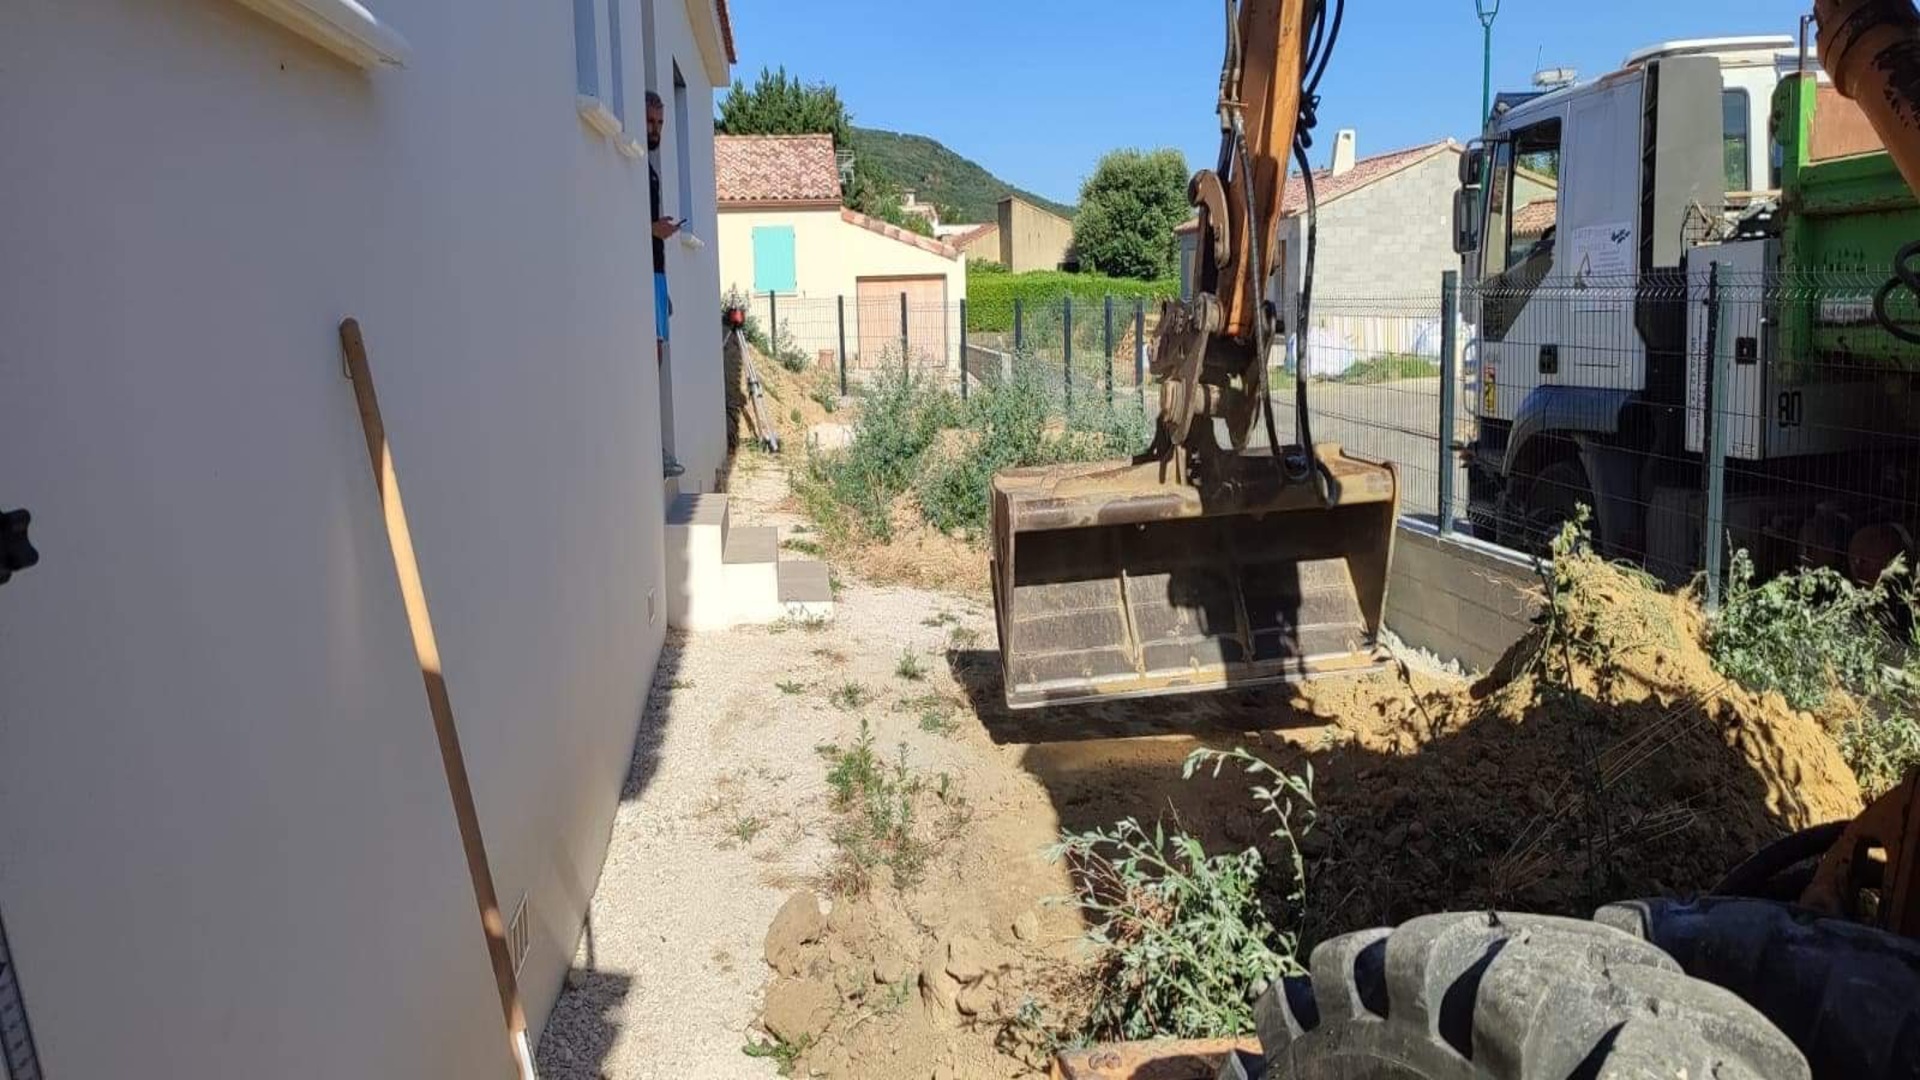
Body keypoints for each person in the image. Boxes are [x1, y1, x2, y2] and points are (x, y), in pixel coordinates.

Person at [646, 91, 685, 479]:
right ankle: (649, 442)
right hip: (647, 274)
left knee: (656, 353)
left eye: (659, 124)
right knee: (652, 354)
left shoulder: (650, 170)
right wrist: (652, 229)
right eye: (650, 122)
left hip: (656, 276)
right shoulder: (637, 169)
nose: (655, 130)